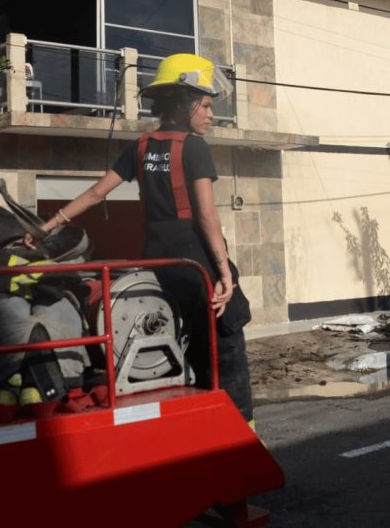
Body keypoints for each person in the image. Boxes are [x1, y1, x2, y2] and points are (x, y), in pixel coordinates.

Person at [26, 53, 254, 422]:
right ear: (184, 103)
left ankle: (200, 419)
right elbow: (207, 214)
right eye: (207, 105)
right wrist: (224, 271)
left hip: (159, 261)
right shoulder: (194, 147)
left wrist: (48, 225)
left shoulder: (142, 146)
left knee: (191, 343)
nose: (211, 115)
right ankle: (242, 427)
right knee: (226, 342)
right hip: (196, 259)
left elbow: (97, 193)